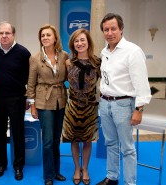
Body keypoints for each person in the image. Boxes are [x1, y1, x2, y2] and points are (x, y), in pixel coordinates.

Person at [96, 13, 152, 185]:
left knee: (127, 148)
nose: (110, 32)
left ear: (121, 29)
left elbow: (141, 83)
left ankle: (130, 182)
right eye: (106, 29)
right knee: (110, 143)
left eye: (113, 28)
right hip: (105, 103)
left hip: (124, 104)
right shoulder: (104, 51)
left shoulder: (133, 51)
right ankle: (112, 177)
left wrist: (139, 109)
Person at [26, 24, 68, 185]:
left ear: (55, 38)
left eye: (48, 35)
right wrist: (32, 105)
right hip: (43, 101)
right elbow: (31, 84)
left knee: (57, 139)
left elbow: (68, 77)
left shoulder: (64, 56)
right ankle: (48, 175)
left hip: (61, 100)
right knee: (48, 140)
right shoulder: (35, 58)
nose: (45, 38)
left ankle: (56, 171)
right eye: (42, 35)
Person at [0, 21, 31, 181]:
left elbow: (30, 77)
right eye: (1, 33)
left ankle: (18, 166)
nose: (4, 36)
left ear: (13, 35)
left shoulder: (23, 53)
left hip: (17, 99)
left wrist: (29, 98)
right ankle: (1, 164)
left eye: (7, 33)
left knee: (18, 133)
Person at [62, 28, 101, 185]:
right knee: (73, 139)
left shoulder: (97, 62)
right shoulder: (68, 63)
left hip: (90, 107)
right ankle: (76, 168)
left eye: (82, 40)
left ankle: (85, 168)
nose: (80, 43)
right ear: (73, 44)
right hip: (72, 107)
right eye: (76, 41)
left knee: (87, 140)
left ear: (88, 42)